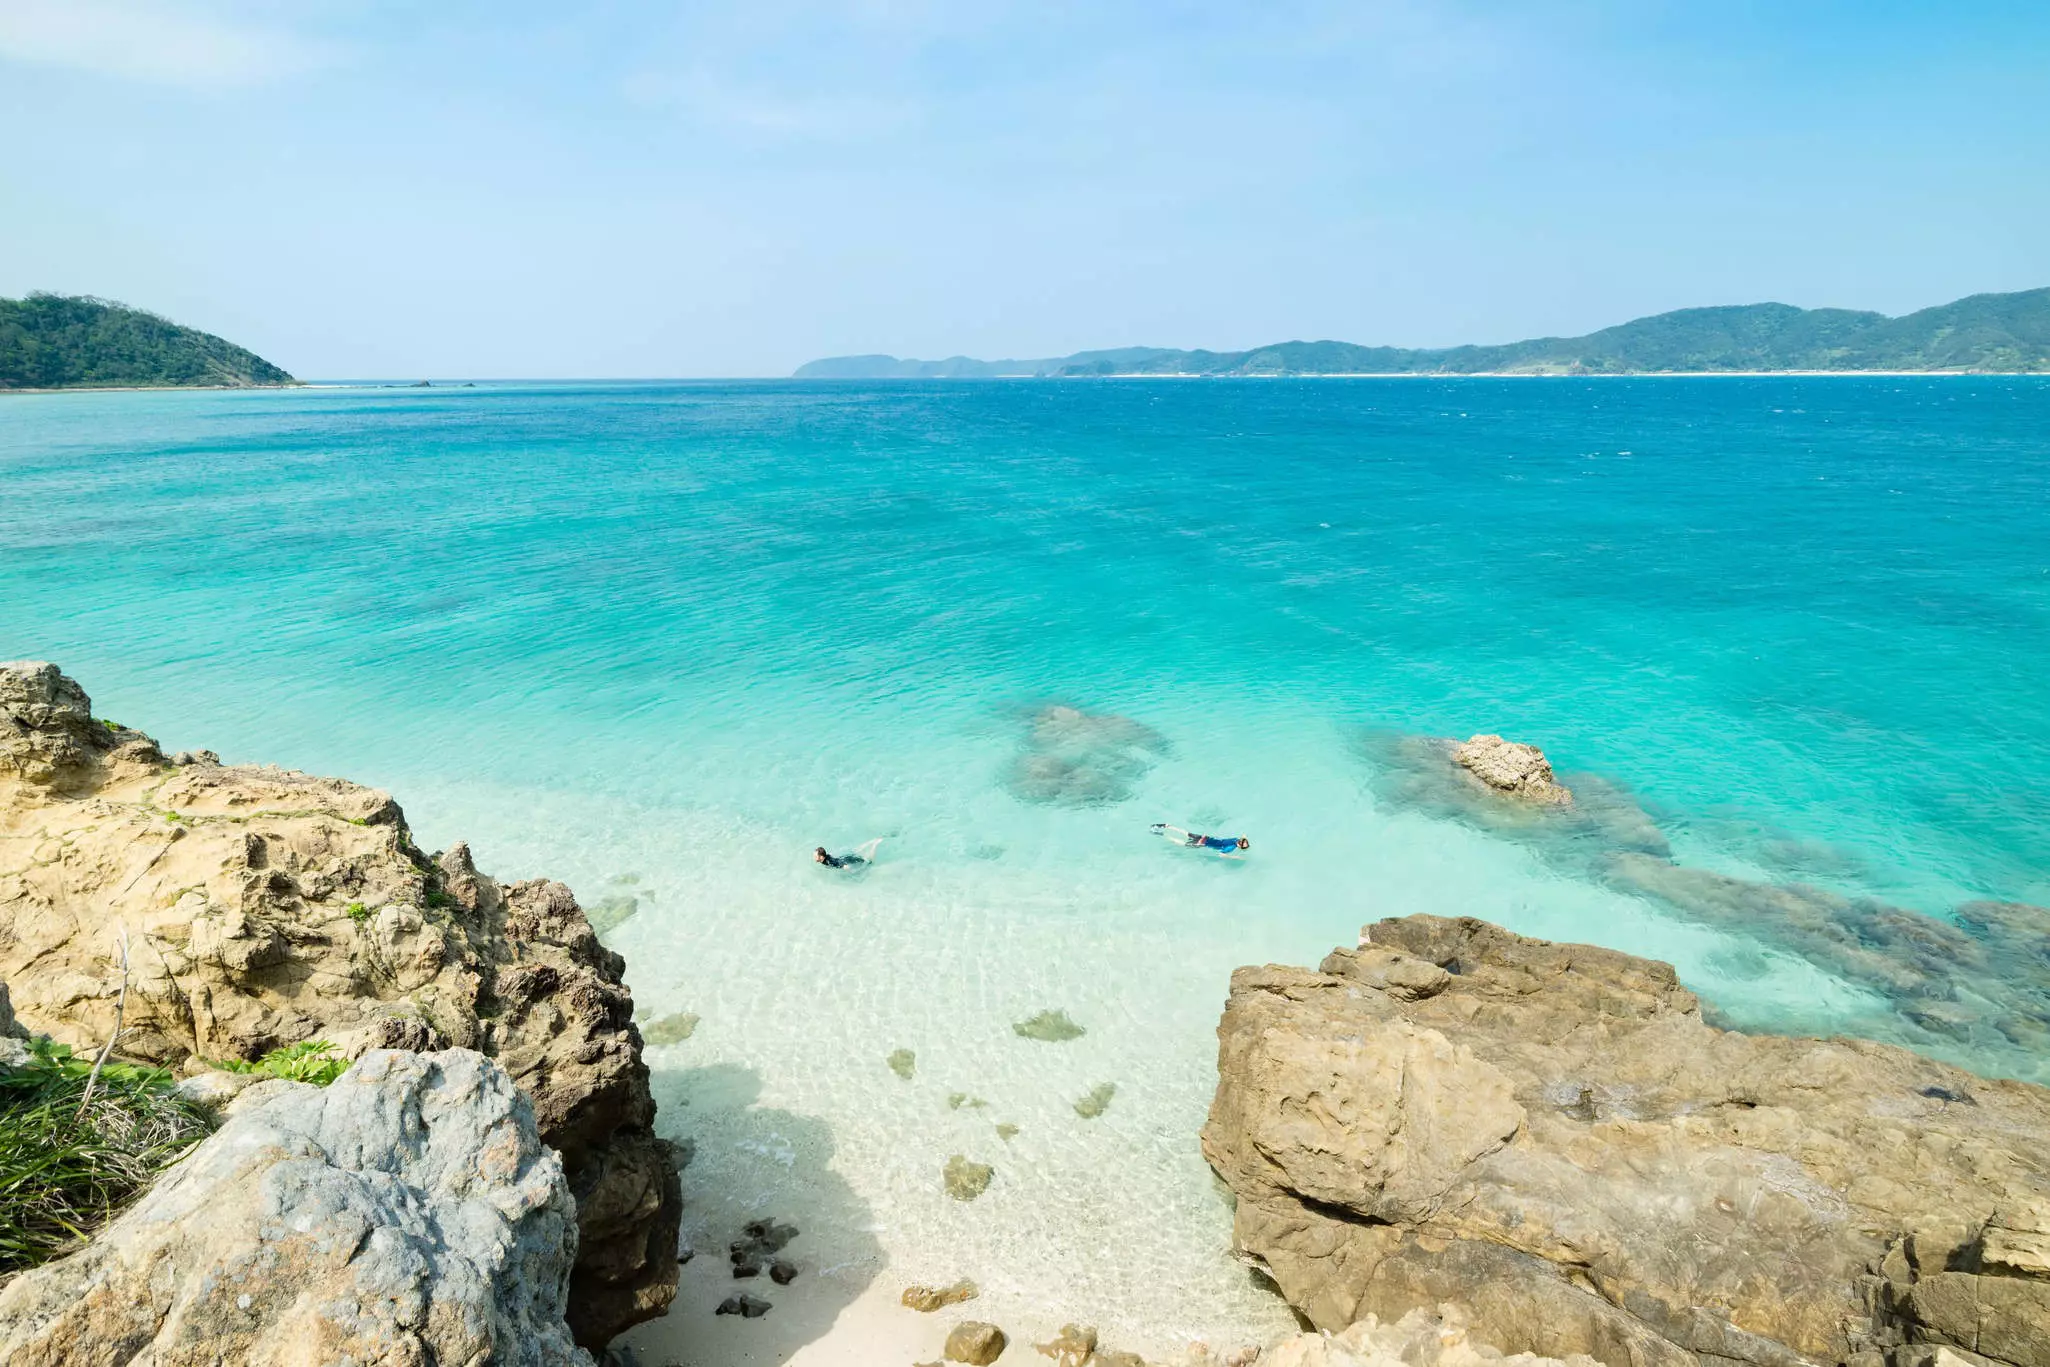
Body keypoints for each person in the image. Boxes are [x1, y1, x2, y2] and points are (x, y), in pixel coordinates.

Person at [1151, 824, 1250, 855]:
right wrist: (1234, 857)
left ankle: (1167, 826)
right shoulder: (1231, 848)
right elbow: (1221, 855)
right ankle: (1162, 834)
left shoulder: (1236, 839)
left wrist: (1244, 836)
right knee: (1181, 843)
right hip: (1201, 843)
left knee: (1185, 833)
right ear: (1239, 846)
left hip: (1205, 837)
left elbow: (1243, 837)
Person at [815, 837, 884, 870]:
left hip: (847, 860)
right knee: (857, 850)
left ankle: (875, 844)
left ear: (821, 857)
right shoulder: (826, 857)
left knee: (869, 862)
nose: (814, 857)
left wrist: (852, 873)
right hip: (845, 857)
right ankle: (872, 841)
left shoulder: (829, 862)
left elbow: (845, 866)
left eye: (815, 856)